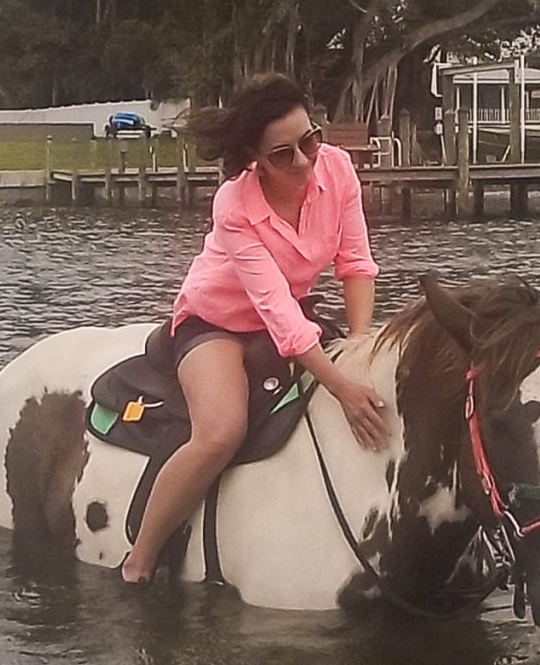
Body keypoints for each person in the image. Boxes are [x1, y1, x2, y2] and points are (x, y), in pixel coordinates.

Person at [119, 74, 390, 584]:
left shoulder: (339, 170)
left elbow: (355, 263)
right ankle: (142, 558)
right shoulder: (235, 205)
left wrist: (360, 345)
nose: (305, 161)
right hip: (217, 322)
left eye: (310, 140)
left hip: (292, 310)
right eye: (283, 155)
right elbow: (277, 314)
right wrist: (343, 389)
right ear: (253, 159)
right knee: (221, 432)